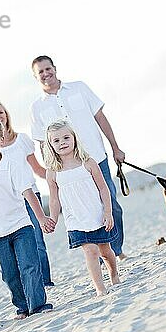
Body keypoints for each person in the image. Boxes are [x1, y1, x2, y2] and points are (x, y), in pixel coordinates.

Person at [30, 55, 128, 261]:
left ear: (55, 68)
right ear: (35, 76)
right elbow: (42, 143)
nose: (46, 74)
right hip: (67, 169)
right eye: (41, 71)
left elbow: (100, 117)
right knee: (84, 212)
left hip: (95, 158)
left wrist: (116, 148)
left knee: (111, 204)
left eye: (48, 69)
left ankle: (115, 251)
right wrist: (51, 170)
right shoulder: (37, 107)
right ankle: (101, 254)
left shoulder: (79, 88)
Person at [0, 117, 56, 319]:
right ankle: (23, 307)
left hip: (21, 225)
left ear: (2, 138)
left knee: (29, 266)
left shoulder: (13, 163)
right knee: (9, 274)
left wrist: (40, 218)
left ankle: (38, 305)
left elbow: (28, 192)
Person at [44, 119, 120, 297]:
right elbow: (54, 199)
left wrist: (108, 212)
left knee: (106, 251)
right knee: (91, 251)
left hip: (97, 215)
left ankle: (114, 274)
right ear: (50, 145)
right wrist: (53, 219)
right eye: (56, 140)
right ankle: (100, 288)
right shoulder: (52, 172)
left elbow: (103, 188)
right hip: (75, 220)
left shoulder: (88, 163)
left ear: (74, 138)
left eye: (65, 137)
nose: (62, 142)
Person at [0, 101, 54, 286]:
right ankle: (28, 283)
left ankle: (45, 282)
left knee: (37, 241)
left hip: (30, 196)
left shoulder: (22, 140)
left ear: (7, 115)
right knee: (17, 248)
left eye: (1, 112)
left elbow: (38, 169)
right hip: (7, 203)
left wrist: (60, 175)